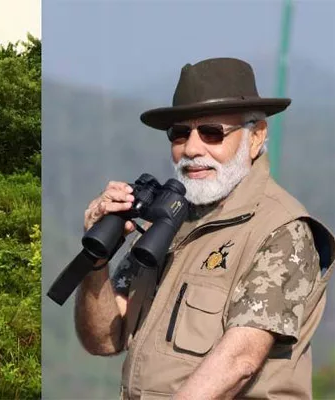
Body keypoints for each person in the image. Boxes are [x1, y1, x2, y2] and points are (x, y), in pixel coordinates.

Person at [74, 57, 335, 399]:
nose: (192, 149)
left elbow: (239, 360)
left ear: (256, 137)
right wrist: (96, 261)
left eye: (212, 133)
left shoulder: (282, 230)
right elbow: (104, 339)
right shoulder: (166, 223)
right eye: (180, 133)